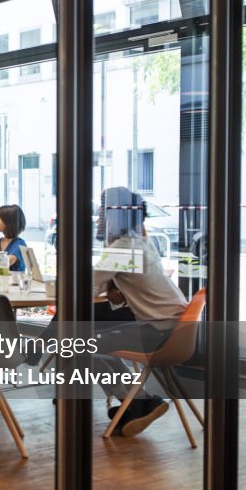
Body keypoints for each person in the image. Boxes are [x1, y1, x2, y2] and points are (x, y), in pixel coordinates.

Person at [29, 187, 187, 437]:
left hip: (159, 332)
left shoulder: (124, 248)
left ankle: (138, 401)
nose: (99, 216)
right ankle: (135, 401)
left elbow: (86, 283)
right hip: (173, 327)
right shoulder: (139, 242)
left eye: (103, 210)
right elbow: (100, 281)